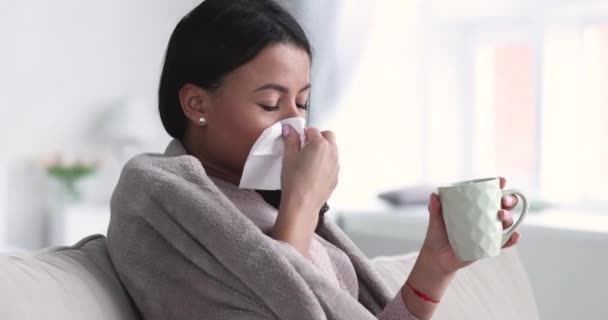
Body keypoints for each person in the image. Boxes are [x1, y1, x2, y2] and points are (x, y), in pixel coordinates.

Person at [107, 0, 521, 319]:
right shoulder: (158, 196)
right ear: (197, 103)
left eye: (302, 103)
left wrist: (436, 262)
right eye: (270, 104)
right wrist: (301, 203)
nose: (294, 124)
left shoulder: (266, 200)